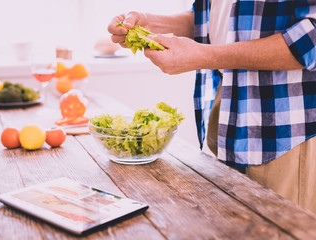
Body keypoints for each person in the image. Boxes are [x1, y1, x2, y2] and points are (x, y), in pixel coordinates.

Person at [107, 0, 316, 214]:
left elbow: (312, 39)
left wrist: (205, 56)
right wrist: (153, 24)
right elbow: (210, 19)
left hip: (284, 130)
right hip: (228, 109)